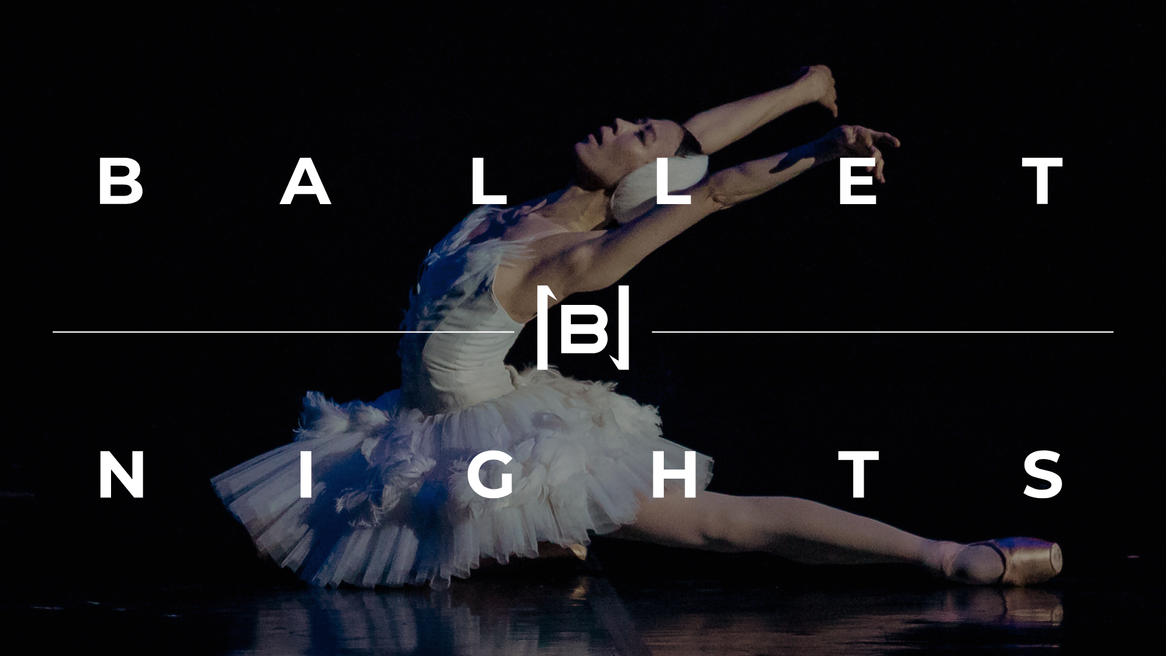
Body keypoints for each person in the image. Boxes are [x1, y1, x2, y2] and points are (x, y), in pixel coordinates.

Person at [211, 66, 1061, 590]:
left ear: (637, 180)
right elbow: (693, 143)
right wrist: (802, 90)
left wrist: (820, 149)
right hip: (423, 419)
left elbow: (712, 185)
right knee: (349, 541)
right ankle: (551, 544)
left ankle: (951, 556)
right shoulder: (532, 209)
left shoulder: (575, 258)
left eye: (635, 133)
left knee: (720, 524)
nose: (620, 125)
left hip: (493, 436)